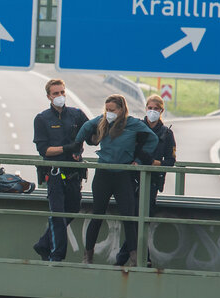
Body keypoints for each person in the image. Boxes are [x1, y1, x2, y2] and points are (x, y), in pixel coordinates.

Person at [75, 94, 158, 266]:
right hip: (104, 173)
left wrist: (140, 160)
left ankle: (135, 258)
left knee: (129, 217)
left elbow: (153, 139)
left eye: (112, 110)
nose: (109, 113)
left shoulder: (133, 123)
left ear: (121, 110)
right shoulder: (102, 121)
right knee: (97, 215)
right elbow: (84, 128)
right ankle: (87, 256)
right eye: (107, 110)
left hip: (123, 174)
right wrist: (77, 147)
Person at [115, 95, 177, 266]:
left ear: (161, 111)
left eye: (156, 109)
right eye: (149, 108)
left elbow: (170, 161)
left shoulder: (166, 133)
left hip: (152, 181)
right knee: (133, 217)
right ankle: (141, 257)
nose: (152, 112)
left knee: (144, 217)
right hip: (132, 179)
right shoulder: (136, 128)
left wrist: (153, 163)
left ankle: (125, 258)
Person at [32, 79, 89, 262]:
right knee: (58, 214)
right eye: (56, 94)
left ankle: (43, 243)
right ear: (49, 96)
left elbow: (93, 134)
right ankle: (57, 255)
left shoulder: (76, 115)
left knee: (72, 208)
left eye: (62, 93)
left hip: (73, 173)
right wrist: (66, 149)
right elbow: (44, 150)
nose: (60, 96)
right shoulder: (42, 119)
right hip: (55, 173)